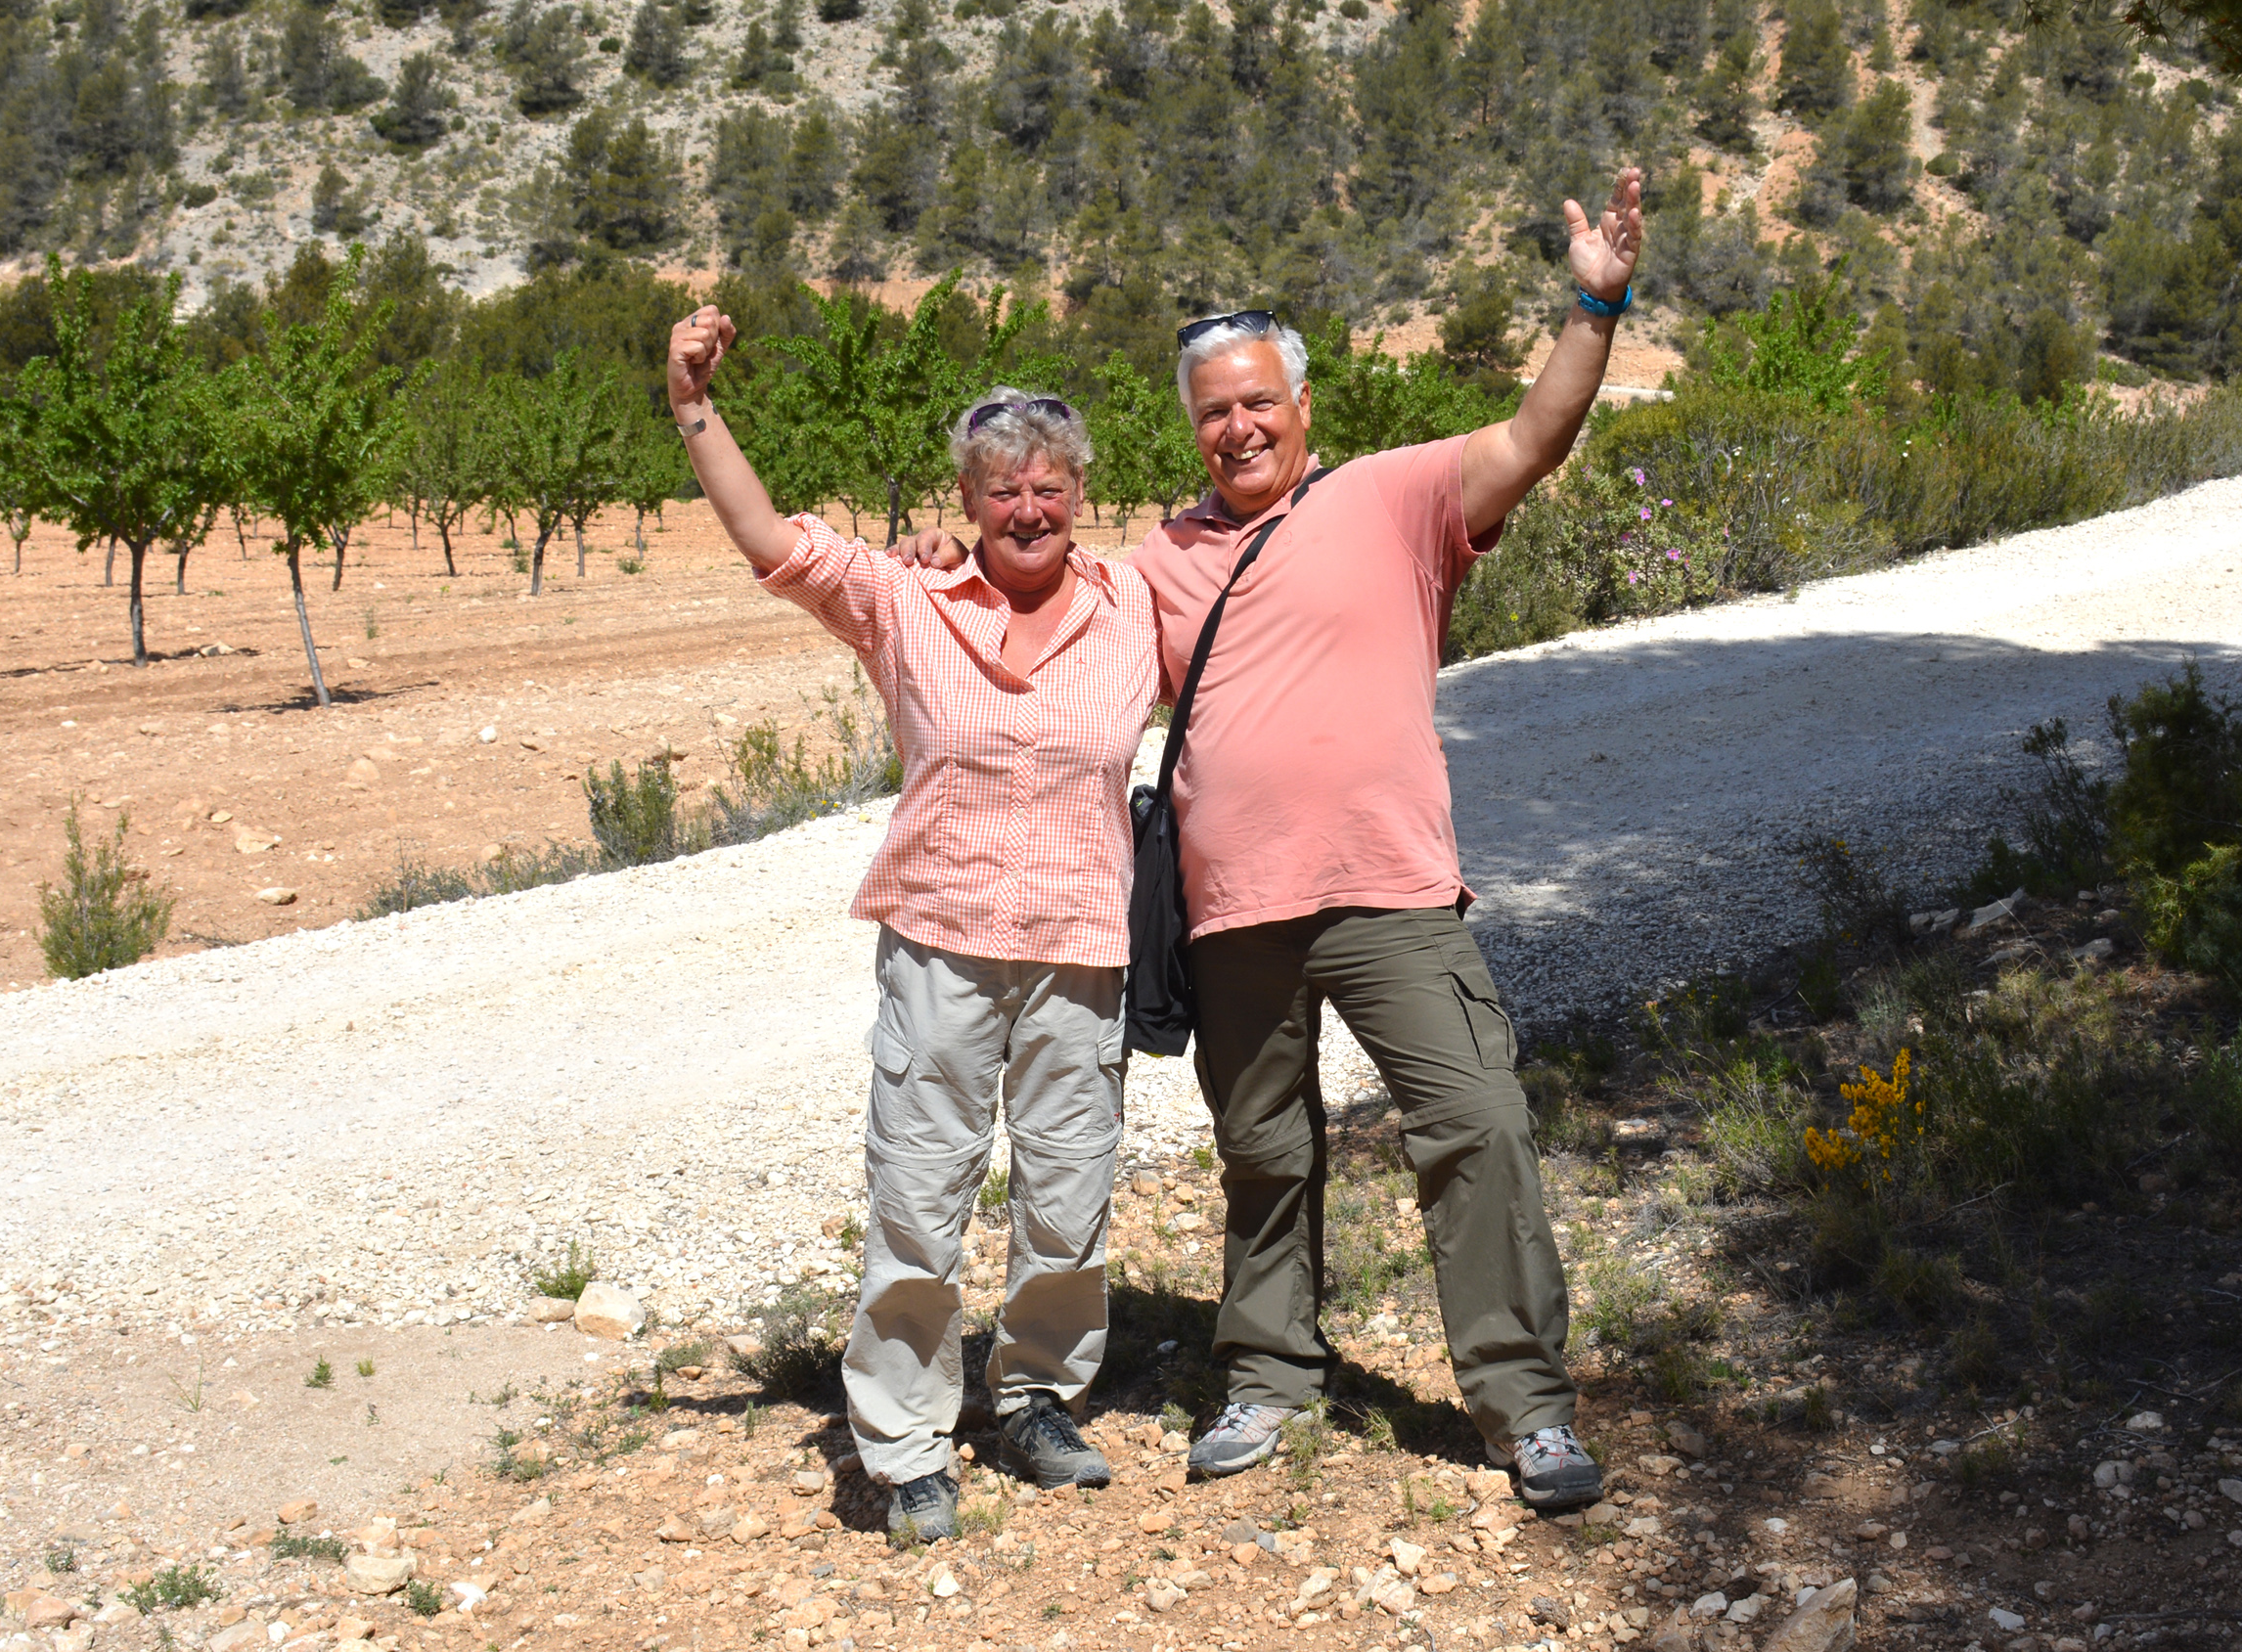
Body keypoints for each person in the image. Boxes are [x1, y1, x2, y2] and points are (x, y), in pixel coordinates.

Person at [910, 169, 1644, 1509]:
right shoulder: (1157, 560)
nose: (1237, 427)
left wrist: (1595, 305)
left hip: (1390, 890)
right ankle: (1267, 1375)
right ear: (1192, 429)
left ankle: (1526, 1406)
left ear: (1305, 406)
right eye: (1213, 412)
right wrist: (946, 562)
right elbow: (1039, 588)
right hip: (1232, 908)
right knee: (1262, 1151)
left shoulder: (1397, 495)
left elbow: (1538, 431)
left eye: (1257, 402)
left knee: (1474, 1122)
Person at [664, 305, 1164, 1544]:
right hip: (941, 943)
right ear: (969, 498)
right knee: (918, 1196)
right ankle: (906, 1444)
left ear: (1081, 491)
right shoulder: (904, 598)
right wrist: (694, 408)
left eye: (1047, 487)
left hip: (1081, 950)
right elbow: (769, 540)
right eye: (1002, 490)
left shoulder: (1134, 605)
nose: (1027, 509)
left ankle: (1037, 1400)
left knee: (1069, 1194)